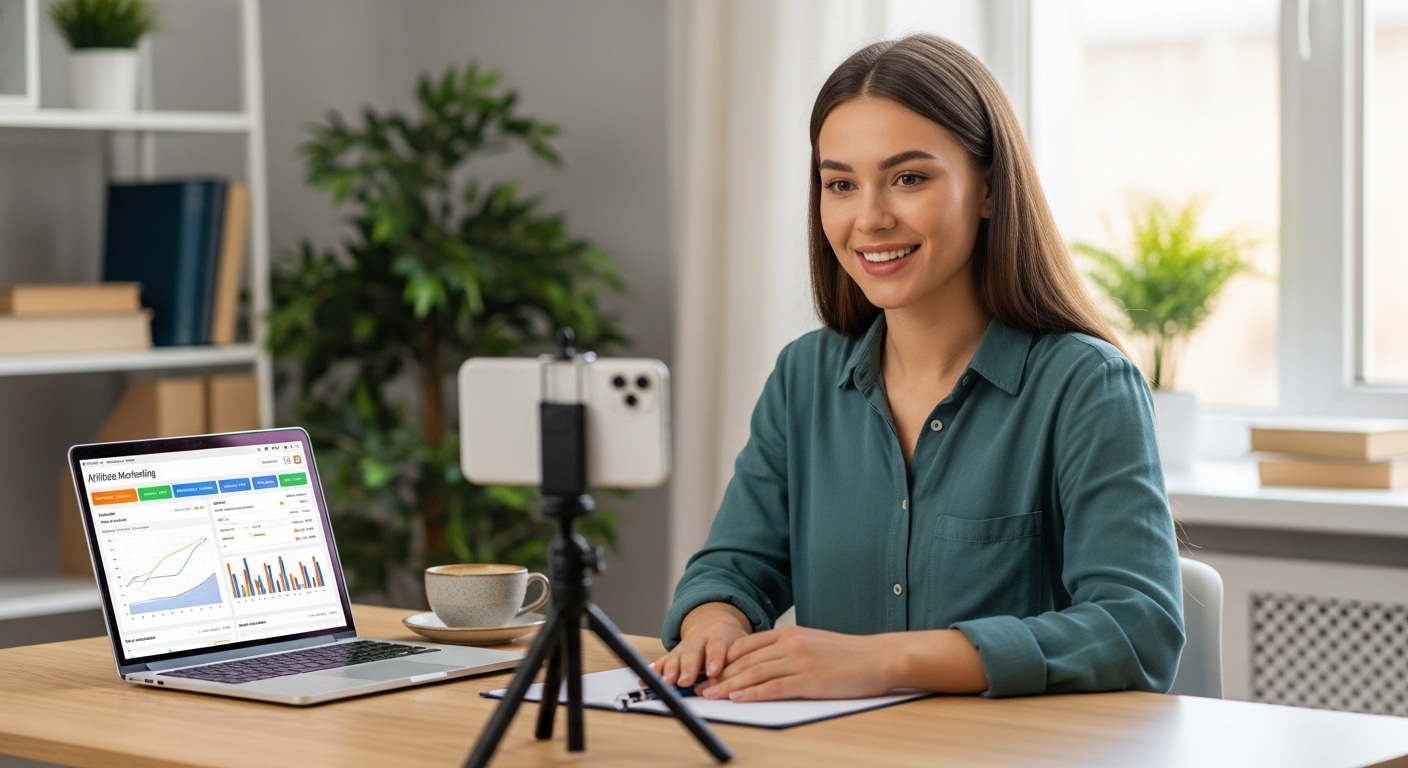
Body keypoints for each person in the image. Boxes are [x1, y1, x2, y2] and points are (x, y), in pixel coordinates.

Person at [652, 34, 1184, 702]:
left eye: (908, 178)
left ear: (988, 190)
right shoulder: (804, 378)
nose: (869, 218)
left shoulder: (1085, 386)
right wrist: (715, 622)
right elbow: (735, 564)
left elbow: (1138, 630)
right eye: (841, 184)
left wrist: (883, 661)